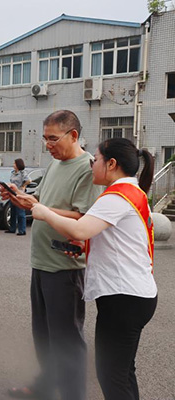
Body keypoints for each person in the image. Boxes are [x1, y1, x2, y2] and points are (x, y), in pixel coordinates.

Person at [31, 138, 157, 400]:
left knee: (112, 376)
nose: (92, 165)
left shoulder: (117, 196)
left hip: (124, 298)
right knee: (123, 372)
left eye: (95, 160)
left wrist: (44, 212)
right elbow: (117, 240)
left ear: (111, 164)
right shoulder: (131, 192)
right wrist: (84, 245)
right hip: (134, 295)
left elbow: (79, 228)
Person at [1, 110, 103, 400]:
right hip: (42, 261)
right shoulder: (55, 164)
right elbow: (41, 203)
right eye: (45, 138)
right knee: (43, 336)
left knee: (67, 339)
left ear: (73, 135)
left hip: (65, 266)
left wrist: (40, 209)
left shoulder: (87, 169)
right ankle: (45, 386)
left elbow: (84, 217)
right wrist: (21, 200)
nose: (48, 145)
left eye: (53, 138)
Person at [5, 158, 30, 236]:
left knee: (20, 212)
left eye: (14, 163)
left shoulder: (22, 173)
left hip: (19, 193)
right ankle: (12, 228)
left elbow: (28, 180)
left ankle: (22, 230)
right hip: (12, 193)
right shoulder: (13, 173)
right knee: (13, 211)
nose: (13, 165)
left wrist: (23, 186)